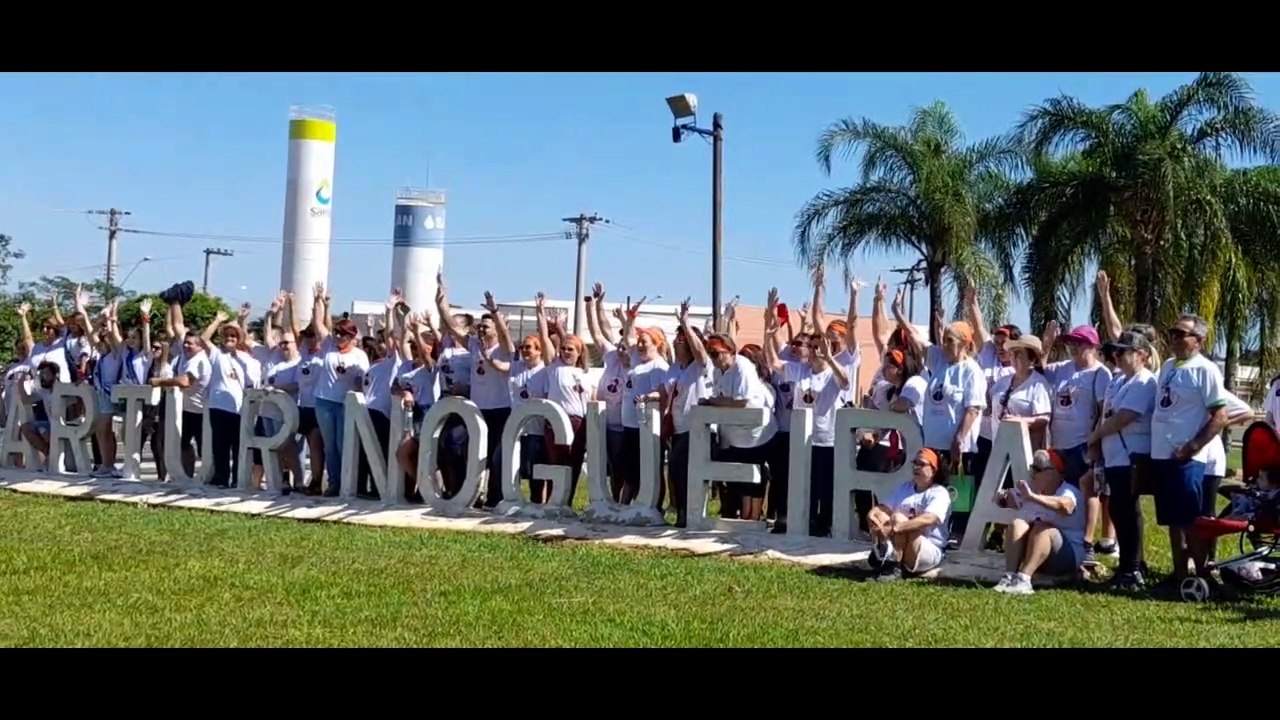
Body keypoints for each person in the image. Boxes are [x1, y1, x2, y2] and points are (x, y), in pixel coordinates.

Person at [993, 448, 1088, 595]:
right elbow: (1004, 499)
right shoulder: (1030, 489)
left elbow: (1066, 506)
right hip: (1038, 554)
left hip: (1066, 557)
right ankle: (1010, 576)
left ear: (1056, 473)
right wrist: (1002, 498)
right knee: (1018, 523)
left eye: (1038, 469)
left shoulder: (1068, 491)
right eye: (1032, 468)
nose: (1033, 474)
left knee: (1042, 528)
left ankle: (1024, 579)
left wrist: (1033, 497)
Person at [865, 448, 952, 581]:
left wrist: (897, 527)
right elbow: (884, 507)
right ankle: (884, 554)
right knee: (882, 516)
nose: (916, 467)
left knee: (898, 518)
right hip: (902, 542)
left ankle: (893, 564)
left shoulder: (939, 493)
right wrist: (873, 514)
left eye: (921, 464)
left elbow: (930, 518)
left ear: (934, 470)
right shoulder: (905, 488)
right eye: (915, 463)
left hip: (929, 548)